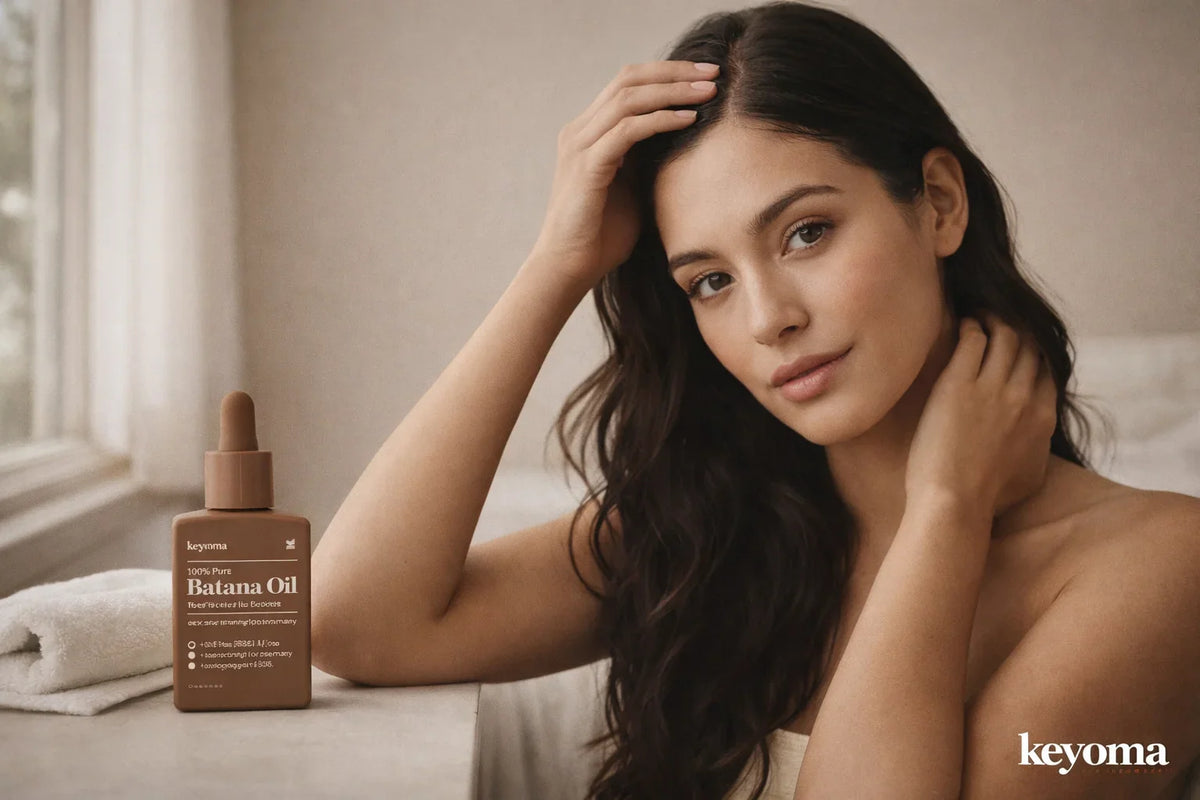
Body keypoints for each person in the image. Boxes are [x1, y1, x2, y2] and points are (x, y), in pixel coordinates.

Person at [311, 2, 1200, 798]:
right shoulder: (718, 527)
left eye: (806, 232)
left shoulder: (1163, 568)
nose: (769, 318)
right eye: (708, 282)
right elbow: (356, 626)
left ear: (937, 202)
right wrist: (558, 264)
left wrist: (947, 510)